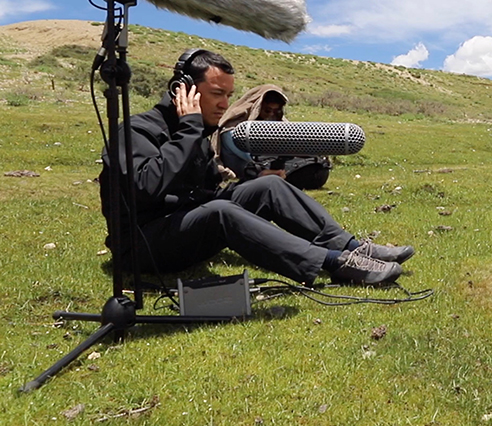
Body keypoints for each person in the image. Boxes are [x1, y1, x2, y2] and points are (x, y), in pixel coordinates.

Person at [99, 49, 413, 286]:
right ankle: (334, 264)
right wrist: (189, 129)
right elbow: (146, 188)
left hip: (184, 228)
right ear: (182, 91)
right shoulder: (136, 130)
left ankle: (352, 247)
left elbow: (207, 193)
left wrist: (251, 181)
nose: (224, 104)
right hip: (143, 247)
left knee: (269, 187)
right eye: (217, 94)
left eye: (228, 95)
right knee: (220, 213)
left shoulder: (196, 135)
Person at [213, 84, 332, 189]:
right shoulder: (233, 130)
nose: (271, 115)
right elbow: (256, 157)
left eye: (275, 111)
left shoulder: (279, 124)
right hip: (251, 169)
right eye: (267, 110)